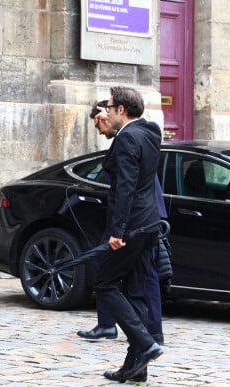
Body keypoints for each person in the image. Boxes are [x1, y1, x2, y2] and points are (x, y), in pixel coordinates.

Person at [77, 100, 166, 349]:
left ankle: (148, 337)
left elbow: (128, 187)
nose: (99, 129)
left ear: (116, 112)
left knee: (110, 280)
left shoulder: (130, 138)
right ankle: (141, 344)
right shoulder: (144, 132)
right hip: (139, 219)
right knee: (136, 282)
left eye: (98, 122)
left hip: (133, 220)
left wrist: (118, 230)